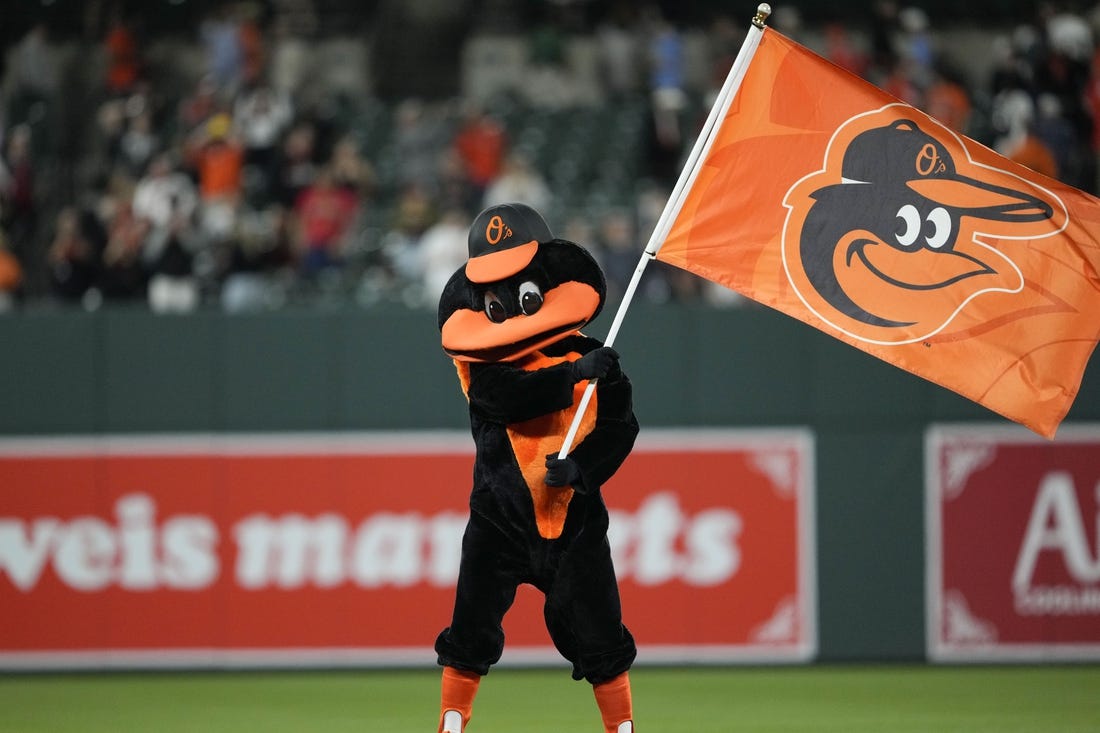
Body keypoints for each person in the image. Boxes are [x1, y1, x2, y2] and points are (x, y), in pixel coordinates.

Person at [434, 203, 639, 733]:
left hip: (574, 523)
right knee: (471, 626)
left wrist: (582, 470)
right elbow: (506, 398)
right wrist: (572, 374)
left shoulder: (597, 360)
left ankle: (621, 726)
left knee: (600, 632)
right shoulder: (481, 369)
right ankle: (452, 720)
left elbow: (621, 429)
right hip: (500, 523)